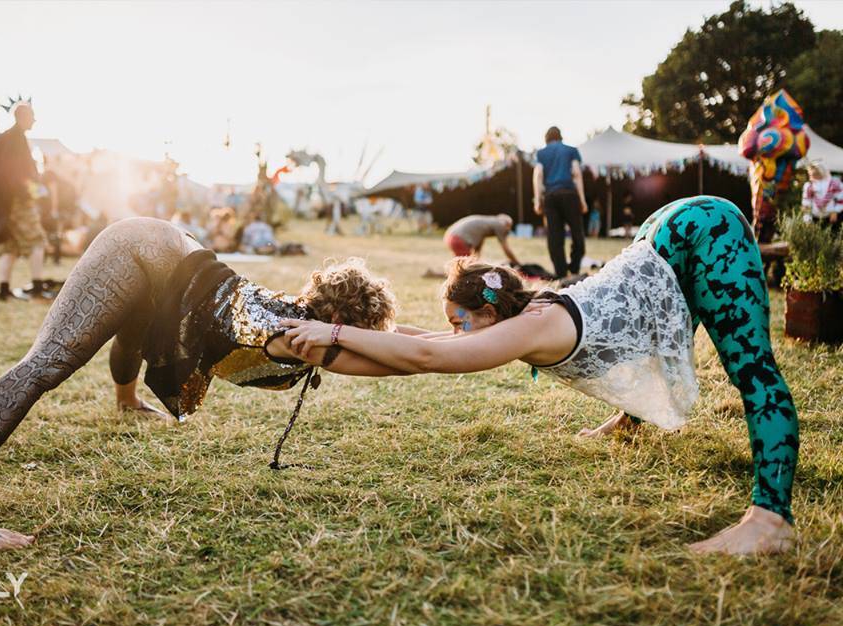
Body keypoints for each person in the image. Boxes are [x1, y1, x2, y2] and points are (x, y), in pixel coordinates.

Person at [286, 196, 799, 556]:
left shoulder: (533, 327)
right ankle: (633, 418)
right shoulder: (512, 321)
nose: (457, 335)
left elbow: (426, 359)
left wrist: (334, 336)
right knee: (651, 324)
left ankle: (770, 522)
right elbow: (419, 344)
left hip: (705, 229)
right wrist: (329, 342)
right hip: (659, 239)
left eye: (460, 323)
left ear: (488, 311)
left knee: (751, 368)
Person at [0, 217, 404, 551]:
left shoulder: (304, 323)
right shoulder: (301, 339)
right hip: (139, 247)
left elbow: (402, 342)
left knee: (134, 326)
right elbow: (414, 357)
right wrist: (469, 347)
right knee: (49, 363)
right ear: (340, 319)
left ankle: (126, 402)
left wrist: (462, 333)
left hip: (169, 260)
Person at [0, 102, 53, 301]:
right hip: (17, 200)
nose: (34, 120)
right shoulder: (16, 139)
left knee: (11, 245)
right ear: (23, 117)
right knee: (37, 240)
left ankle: (4, 289)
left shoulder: (5, 138)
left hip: (4, 203)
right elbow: (18, 173)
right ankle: (37, 287)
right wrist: (30, 191)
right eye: (32, 116)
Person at [533, 127, 588, 278]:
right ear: (560, 137)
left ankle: (561, 273)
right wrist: (582, 199)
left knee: (554, 236)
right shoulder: (571, 150)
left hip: (550, 196)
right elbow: (576, 173)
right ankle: (575, 268)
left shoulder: (541, 153)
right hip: (569, 194)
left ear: (547, 139)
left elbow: (538, 175)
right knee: (577, 233)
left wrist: (538, 200)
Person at [443, 213, 519, 263]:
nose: (508, 231)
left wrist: (477, 261)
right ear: (507, 224)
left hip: (451, 236)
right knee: (466, 267)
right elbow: (506, 249)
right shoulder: (500, 225)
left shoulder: (488, 222)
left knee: (464, 264)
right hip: (458, 239)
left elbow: (478, 246)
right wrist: (517, 263)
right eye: (509, 227)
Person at [801, 161, 842, 233]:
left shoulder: (834, 183)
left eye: (816, 173)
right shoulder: (809, 186)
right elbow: (806, 203)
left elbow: (841, 198)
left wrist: (835, 211)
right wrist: (807, 218)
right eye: (811, 173)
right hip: (815, 217)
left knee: (833, 235)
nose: (813, 175)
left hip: (831, 216)